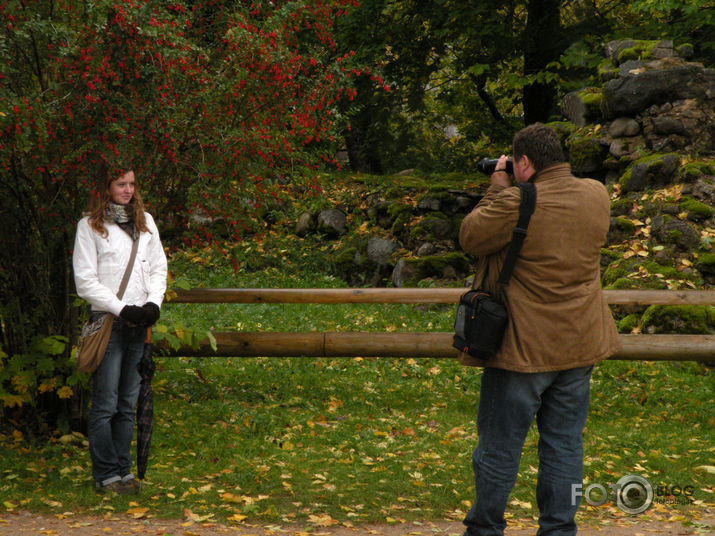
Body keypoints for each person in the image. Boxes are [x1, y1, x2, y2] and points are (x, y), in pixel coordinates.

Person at [458, 123, 621, 535]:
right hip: (580, 343)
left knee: (499, 447)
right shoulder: (596, 194)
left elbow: (471, 237)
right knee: (565, 445)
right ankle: (559, 529)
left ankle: (485, 529)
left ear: (524, 162)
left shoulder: (514, 200)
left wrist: (498, 184)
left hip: (521, 348)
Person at [73, 161, 167, 494]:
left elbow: (158, 268)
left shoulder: (146, 223)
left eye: (130, 184)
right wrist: (122, 308)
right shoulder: (90, 226)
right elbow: (85, 281)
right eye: (119, 184)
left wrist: (153, 303)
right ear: (106, 188)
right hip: (110, 326)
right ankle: (106, 474)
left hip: (139, 326)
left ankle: (124, 472)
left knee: (128, 403)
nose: (127, 190)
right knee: (105, 404)